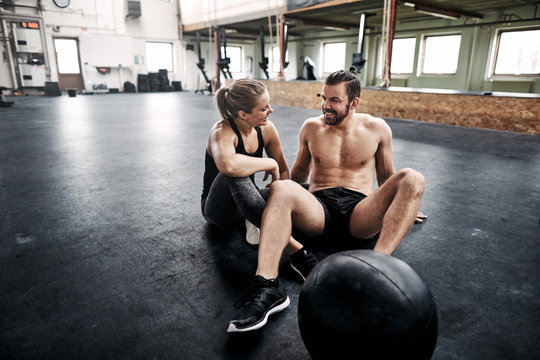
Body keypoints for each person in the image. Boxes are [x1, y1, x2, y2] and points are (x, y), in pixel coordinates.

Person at [228, 67, 427, 333]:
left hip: (360, 214)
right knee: (283, 187)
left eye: (334, 100)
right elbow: (299, 172)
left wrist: (404, 204)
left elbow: (387, 178)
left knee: (412, 178)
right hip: (318, 213)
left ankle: (376, 271)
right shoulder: (311, 127)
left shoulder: (377, 128)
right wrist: (279, 203)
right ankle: (267, 286)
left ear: (353, 103)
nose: (326, 106)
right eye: (324, 98)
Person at [201, 78, 318, 290]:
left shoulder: (267, 129)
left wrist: (282, 200)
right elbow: (228, 165)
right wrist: (268, 162)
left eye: (269, 104)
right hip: (218, 210)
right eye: (264, 108)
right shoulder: (221, 132)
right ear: (243, 114)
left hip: (247, 199)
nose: (271, 110)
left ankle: (257, 218)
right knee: (234, 172)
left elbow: (282, 171)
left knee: (306, 190)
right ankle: (296, 251)